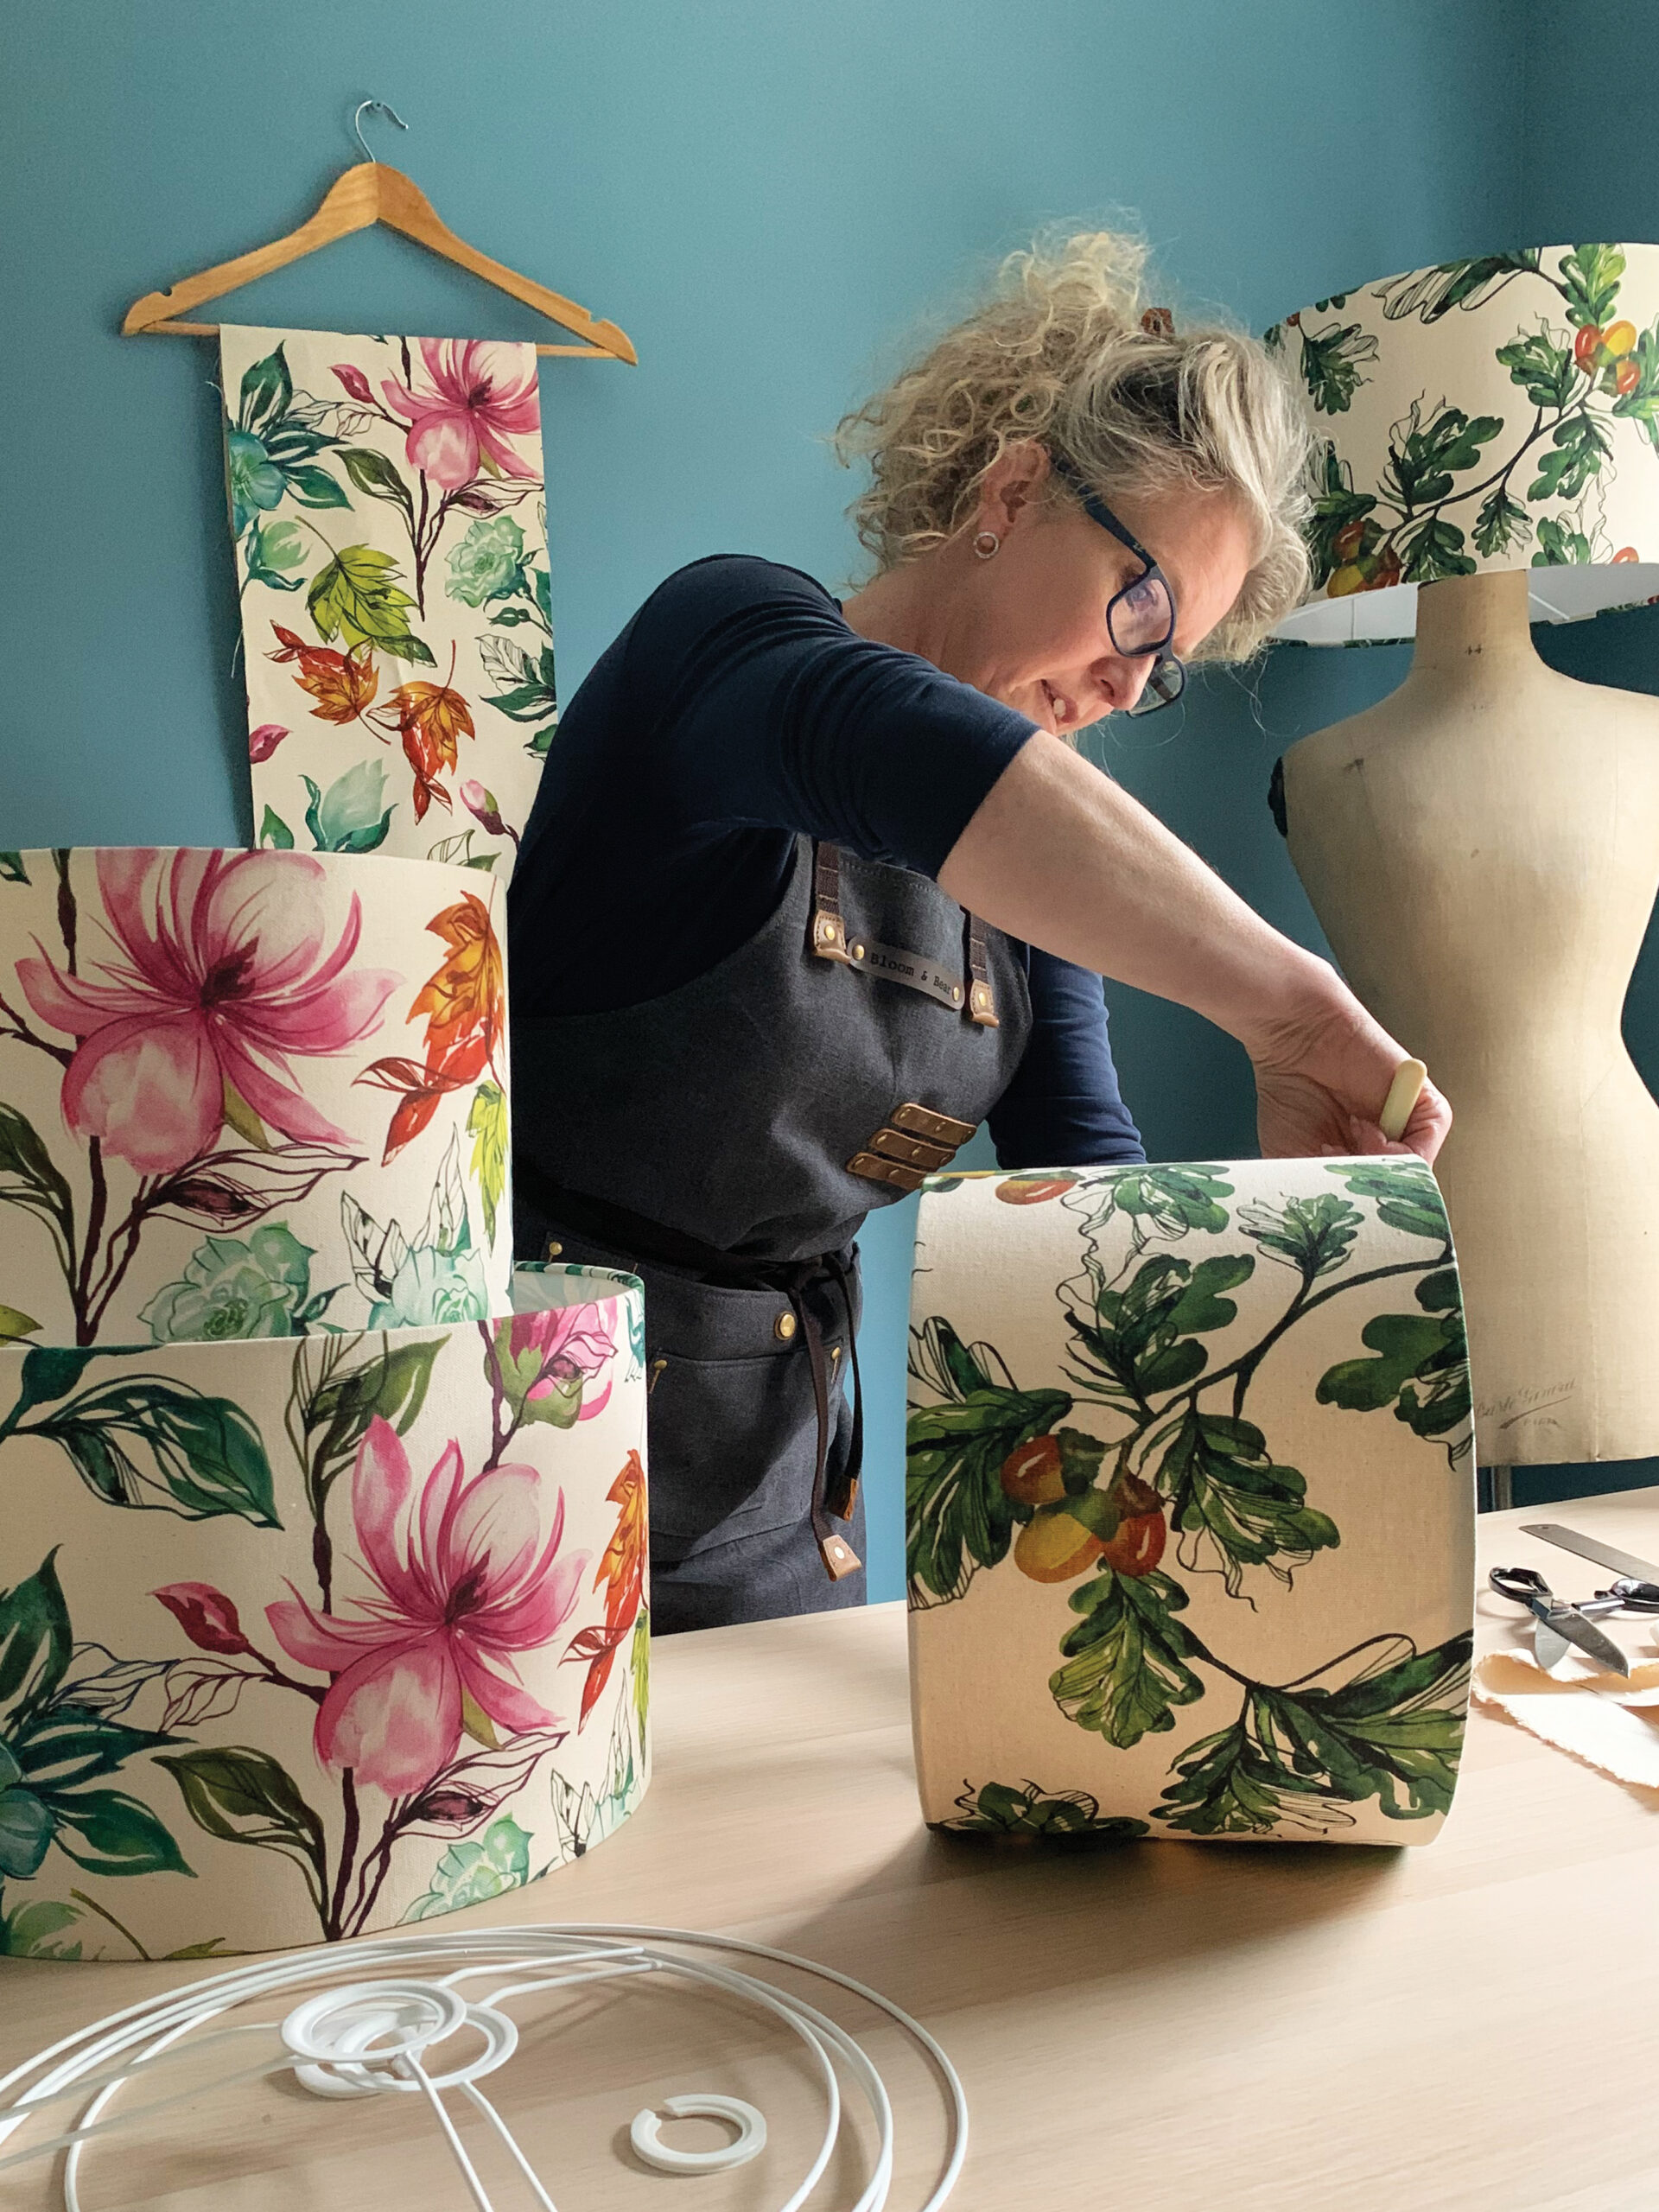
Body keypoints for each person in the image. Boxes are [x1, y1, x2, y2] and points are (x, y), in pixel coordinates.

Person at [507, 232, 1450, 1633]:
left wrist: (1271, 1308)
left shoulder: (1034, 874)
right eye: (1135, 607)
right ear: (1014, 490)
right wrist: (1295, 1013)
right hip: (514, 1478)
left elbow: (1080, 1176)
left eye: (1164, 662)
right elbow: (900, 752)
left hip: (787, 1499)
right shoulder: (726, 648)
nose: (1126, 686)